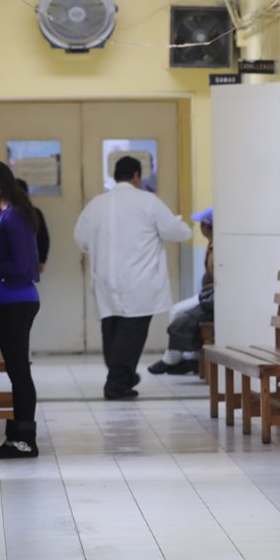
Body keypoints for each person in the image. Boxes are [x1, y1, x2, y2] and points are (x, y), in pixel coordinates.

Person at [74, 156, 193, 399]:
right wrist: (184, 227)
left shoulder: (97, 204)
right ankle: (117, 384)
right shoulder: (148, 202)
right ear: (137, 176)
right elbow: (176, 231)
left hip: (106, 281)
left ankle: (124, 377)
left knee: (112, 332)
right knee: (131, 336)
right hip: (140, 282)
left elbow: (81, 238)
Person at [0, 161, 42, 459]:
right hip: (12, 300)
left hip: (17, 301)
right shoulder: (6, 216)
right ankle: (17, 437)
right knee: (17, 372)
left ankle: (24, 440)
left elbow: (25, 267)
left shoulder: (14, 218)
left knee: (18, 372)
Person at [148, 206, 214, 375]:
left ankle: (172, 360)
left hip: (212, 298)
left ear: (207, 227)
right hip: (208, 295)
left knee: (178, 313)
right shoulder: (212, 244)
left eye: (201, 224)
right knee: (177, 311)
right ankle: (182, 358)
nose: (199, 228)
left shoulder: (218, 247)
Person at [15, 178, 51, 274]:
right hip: (29, 262)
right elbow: (44, 239)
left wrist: (42, 260)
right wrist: (42, 261)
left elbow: (43, 239)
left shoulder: (34, 213)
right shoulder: (35, 212)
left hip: (26, 263)